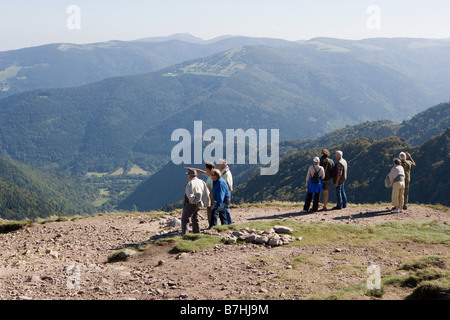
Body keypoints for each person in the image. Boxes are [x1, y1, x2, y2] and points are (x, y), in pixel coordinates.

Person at [185, 162, 215, 227]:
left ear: (208, 168)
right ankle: (211, 225)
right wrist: (192, 169)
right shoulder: (209, 174)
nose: (205, 169)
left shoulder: (213, 176)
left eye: (205, 167)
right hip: (209, 195)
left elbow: (214, 187)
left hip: (212, 196)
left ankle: (213, 225)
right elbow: (201, 172)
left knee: (212, 211)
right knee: (209, 210)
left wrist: (210, 196)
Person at [181, 169, 211, 235]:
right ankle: (197, 233)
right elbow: (207, 192)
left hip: (192, 203)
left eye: (188, 175)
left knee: (185, 219)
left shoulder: (190, 183)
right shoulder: (202, 182)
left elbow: (190, 195)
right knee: (195, 217)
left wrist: (194, 202)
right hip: (199, 203)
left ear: (189, 175)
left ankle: (185, 235)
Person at [217, 159, 233, 224]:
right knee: (225, 209)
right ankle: (228, 223)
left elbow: (227, 186)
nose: (218, 165)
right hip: (225, 194)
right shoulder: (224, 172)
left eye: (219, 164)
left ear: (224, 164)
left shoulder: (226, 174)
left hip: (225, 194)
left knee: (225, 209)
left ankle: (228, 223)